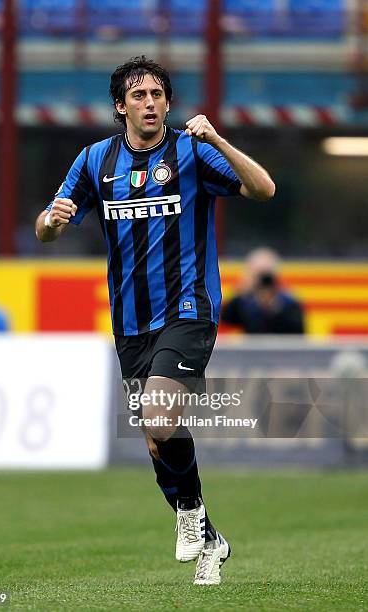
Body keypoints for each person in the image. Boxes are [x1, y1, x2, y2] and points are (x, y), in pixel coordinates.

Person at [35, 56, 275, 585]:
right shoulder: (96, 160)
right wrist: (53, 222)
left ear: (168, 102)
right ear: (120, 106)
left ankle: (190, 519)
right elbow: (45, 227)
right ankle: (209, 535)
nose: (150, 103)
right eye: (139, 95)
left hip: (189, 308)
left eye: (158, 94)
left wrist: (218, 141)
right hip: (131, 321)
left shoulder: (192, 152)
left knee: (160, 417)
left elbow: (263, 189)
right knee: (154, 436)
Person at [221, 248, 304, 334]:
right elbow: (225, 318)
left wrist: (277, 308)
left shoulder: (288, 303)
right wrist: (241, 291)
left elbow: (299, 331)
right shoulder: (245, 303)